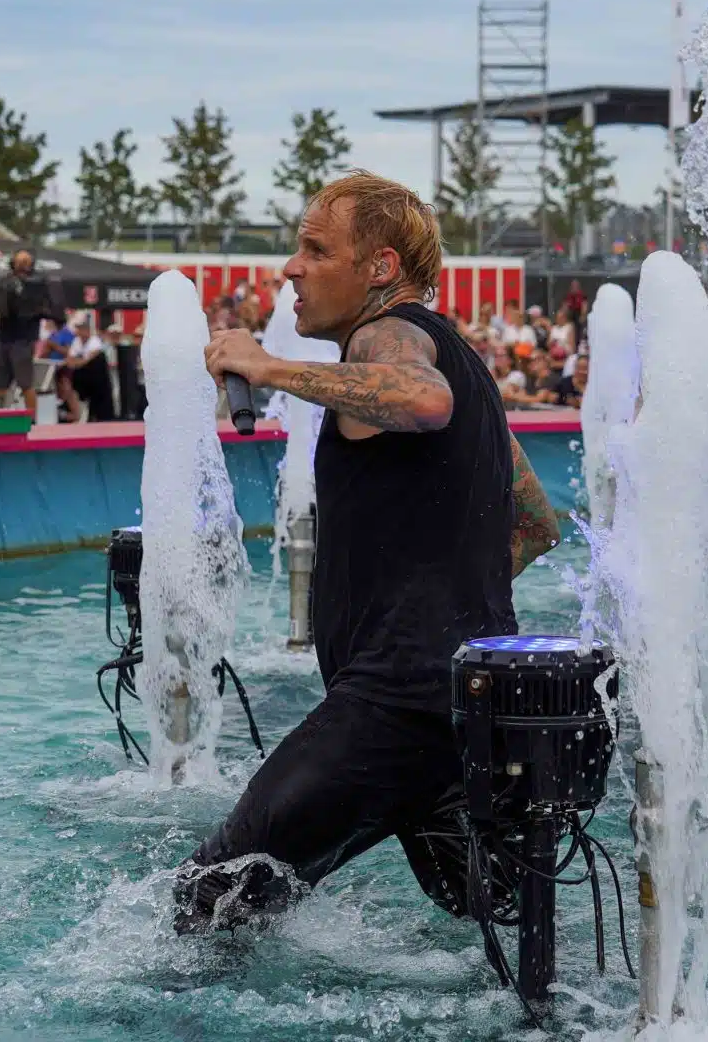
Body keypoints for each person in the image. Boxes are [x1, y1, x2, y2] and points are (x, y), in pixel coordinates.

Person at [183, 170, 560, 932]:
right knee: (494, 924)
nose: (292, 267)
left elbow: (421, 400)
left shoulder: (386, 336)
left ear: (381, 267)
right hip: (463, 706)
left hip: (396, 705)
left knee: (207, 899)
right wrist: (436, 597)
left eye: (316, 249)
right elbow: (534, 522)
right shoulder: (463, 355)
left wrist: (267, 368)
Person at [0, 249, 45, 419]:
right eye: (19, 261)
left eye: (25, 261)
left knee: (26, 384)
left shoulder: (35, 283)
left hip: (23, 339)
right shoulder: (7, 281)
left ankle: (32, 420)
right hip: (4, 337)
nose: (21, 265)